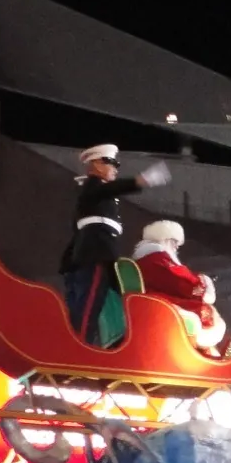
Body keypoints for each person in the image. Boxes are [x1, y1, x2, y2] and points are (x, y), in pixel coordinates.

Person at [59, 143, 172, 344]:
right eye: (111, 163)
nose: (115, 168)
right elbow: (112, 189)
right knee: (87, 307)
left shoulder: (95, 194)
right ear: (96, 164)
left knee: (104, 304)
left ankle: (105, 344)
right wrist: (141, 180)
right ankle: (79, 345)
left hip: (94, 253)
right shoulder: (93, 187)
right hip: (96, 254)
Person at [132, 220, 227, 354]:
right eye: (174, 242)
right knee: (203, 311)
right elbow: (178, 282)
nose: (177, 247)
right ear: (164, 239)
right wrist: (202, 281)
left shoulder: (149, 258)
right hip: (158, 303)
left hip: (153, 300)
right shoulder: (156, 258)